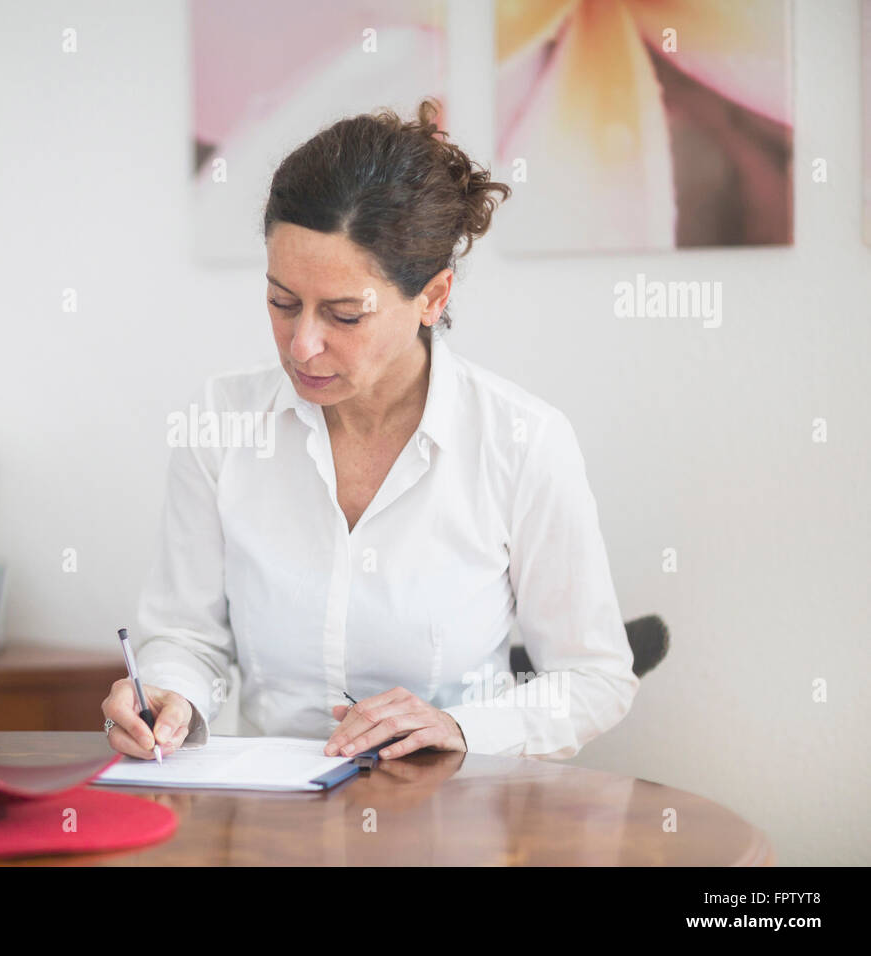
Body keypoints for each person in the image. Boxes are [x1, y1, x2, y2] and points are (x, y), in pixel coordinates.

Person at [102, 97, 638, 762]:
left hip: (457, 821)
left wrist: (463, 729)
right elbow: (186, 637)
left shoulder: (521, 441)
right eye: (282, 302)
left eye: (345, 315)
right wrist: (171, 694)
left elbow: (595, 679)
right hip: (275, 824)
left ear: (433, 298)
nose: (301, 345)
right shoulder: (221, 424)